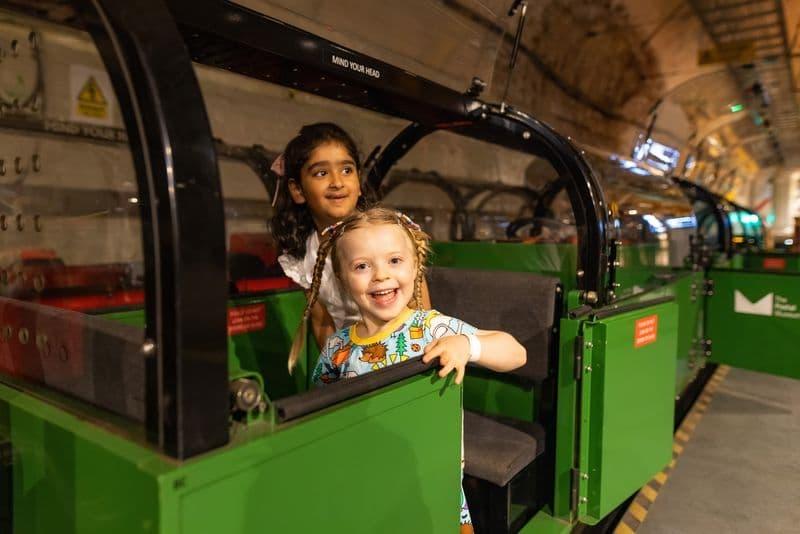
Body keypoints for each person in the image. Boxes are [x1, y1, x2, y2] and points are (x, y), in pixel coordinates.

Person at [287, 207, 527, 531]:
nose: (381, 275)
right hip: (367, 492)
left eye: (394, 261)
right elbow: (321, 415)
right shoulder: (337, 349)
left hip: (435, 489)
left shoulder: (433, 329)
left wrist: (467, 345)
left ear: (415, 267)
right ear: (343, 279)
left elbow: (516, 352)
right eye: (362, 266)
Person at [272, 123, 430, 350]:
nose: (337, 182)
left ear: (359, 183)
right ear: (298, 190)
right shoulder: (304, 255)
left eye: (347, 170)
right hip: (353, 360)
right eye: (321, 173)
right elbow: (322, 321)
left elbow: (419, 306)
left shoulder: (388, 233)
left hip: (403, 351)